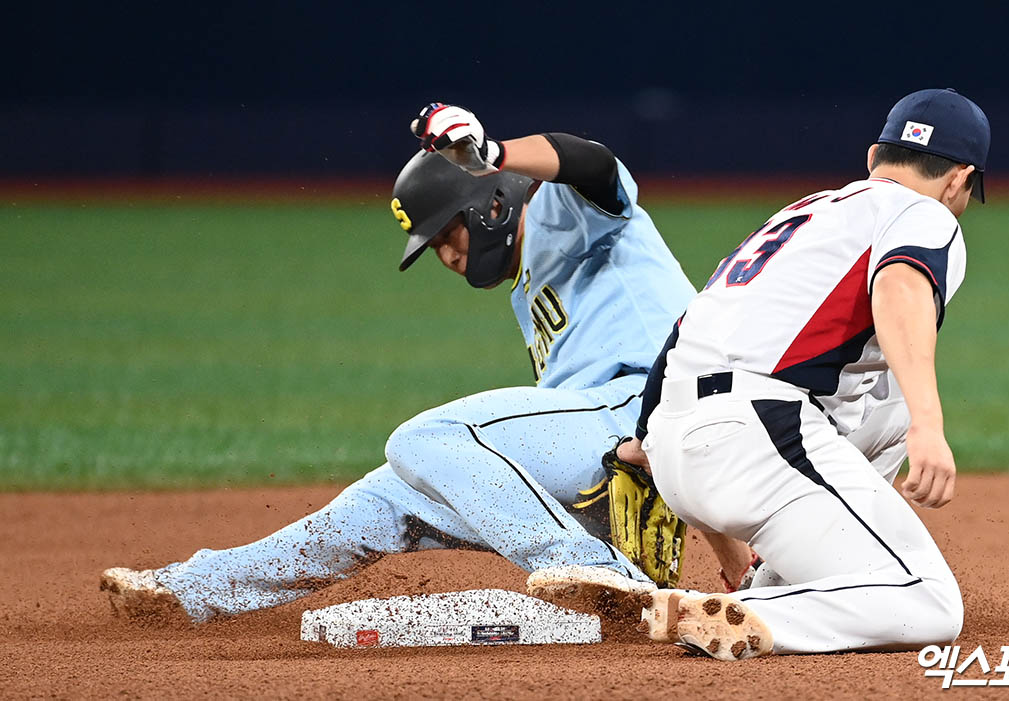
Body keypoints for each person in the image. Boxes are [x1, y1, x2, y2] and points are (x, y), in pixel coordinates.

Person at [99, 103, 696, 623]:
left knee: (427, 438)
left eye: (446, 234)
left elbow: (592, 161)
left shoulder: (565, 213)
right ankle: (194, 589)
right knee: (387, 494)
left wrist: (494, 152)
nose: (446, 255)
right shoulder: (527, 284)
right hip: (605, 452)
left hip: (638, 407)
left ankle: (594, 570)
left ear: (489, 203)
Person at [620, 88, 990, 660]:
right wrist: (928, 422)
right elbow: (899, 287)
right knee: (931, 605)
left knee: (882, 399)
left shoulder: (808, 212)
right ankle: (750, 615)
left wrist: (645, 439)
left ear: (874, 157)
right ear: (960, 179)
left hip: (676, 447)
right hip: (757, 438)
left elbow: (691, 320)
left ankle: (774, 583)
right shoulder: (926, 213)